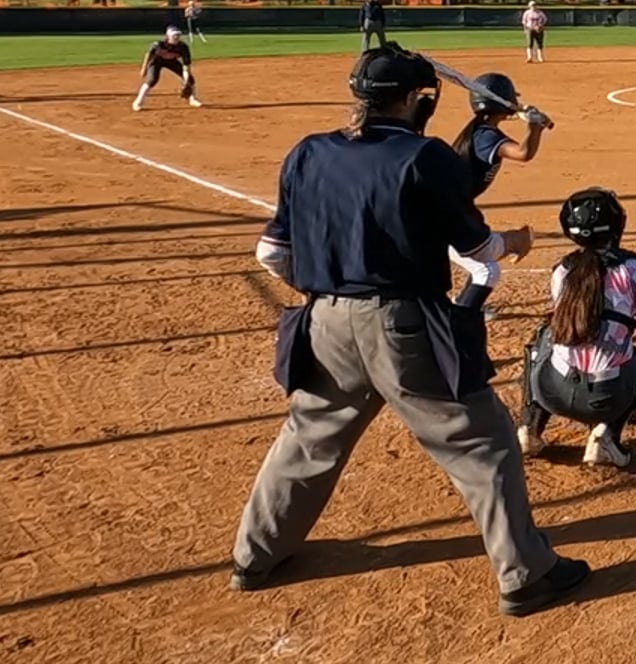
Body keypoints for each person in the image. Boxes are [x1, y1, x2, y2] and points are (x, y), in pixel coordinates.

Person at [232, 44, 590, 615]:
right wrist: (515, 242)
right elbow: (479, 249)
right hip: (404, 325)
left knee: (308, 438)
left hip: (324, 322)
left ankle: (254, 556)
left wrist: (331, 289)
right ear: (414, 100)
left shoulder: (308, 151)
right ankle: (526, 574)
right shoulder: (426, 157)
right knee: (482, 443)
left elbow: (270, 254)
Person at [519, 188, 636, 469]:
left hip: (551, 392)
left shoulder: (563, 270)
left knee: (543, 337)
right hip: (605, 398)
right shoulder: (633, 270)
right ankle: (605, 437)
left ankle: (529, 427)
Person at [449, 72, 553, 317]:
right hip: (443, 215)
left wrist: (535, 125)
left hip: (450, 211)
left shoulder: (480, 131)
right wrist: (534, 126)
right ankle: (460, 317)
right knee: (486, 270)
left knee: (482, 260)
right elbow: (523, 153)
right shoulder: (485, 136)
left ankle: (462, 304)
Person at [133, 27, 201, 111]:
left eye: (178, 35)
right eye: (174, 35)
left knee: (190, 79)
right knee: (152, 80)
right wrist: (144, 68)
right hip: (156, 61)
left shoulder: (183, 47)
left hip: (171, 61)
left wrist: (186, 80)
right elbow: (148, 54)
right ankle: (138, 102)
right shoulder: (158, 45)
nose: (176, 37)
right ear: (168, 36)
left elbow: (186, 66)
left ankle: (193, 99)